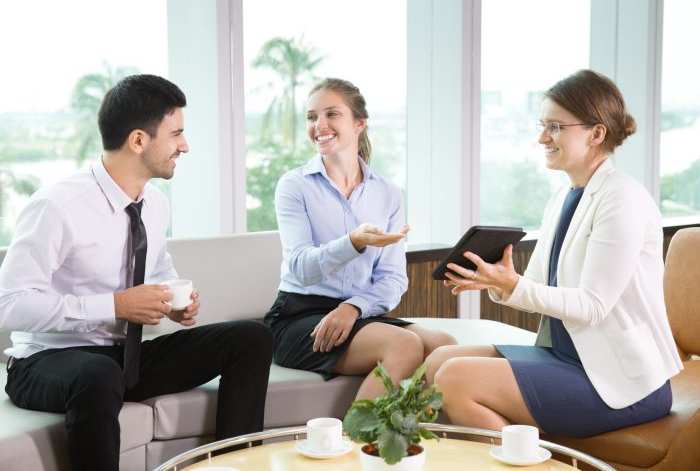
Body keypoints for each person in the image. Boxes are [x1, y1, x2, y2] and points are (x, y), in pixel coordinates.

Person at [0, 74, 273, 470]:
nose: (185, 145)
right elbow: (9, 305)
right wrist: (115, 306)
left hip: (122, 360)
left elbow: (158, 266)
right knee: (97, 374)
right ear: (139, 140)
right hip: (45, 362)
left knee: (251, 339)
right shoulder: (58, 206)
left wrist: (173, 302)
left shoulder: (155, 203)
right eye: (176, 134)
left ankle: (231, 467)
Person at [425, 69, 683, 438]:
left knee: (454, 378)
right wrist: (495, 282)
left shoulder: (622, 198)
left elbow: (592, 305)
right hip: (567, 356)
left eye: (556, 127)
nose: (542, 138)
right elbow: (532, 291)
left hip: (620, 380)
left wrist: (513, 286)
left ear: (596, 134)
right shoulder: (563, 197)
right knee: (437, 361)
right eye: (542, 125)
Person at [264, 78, 456, 400]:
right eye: (312, 117)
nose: (319, 125)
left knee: (444, 346)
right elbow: (300, 268)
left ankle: (414, 440)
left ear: (359, 123)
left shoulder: (388, 192)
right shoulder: (294, 186)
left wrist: (353, 307)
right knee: (404, 345)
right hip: (299, 316)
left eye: (332, 114)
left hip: (360, 315)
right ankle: (357, 447)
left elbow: (393, 278)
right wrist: (353, 241)